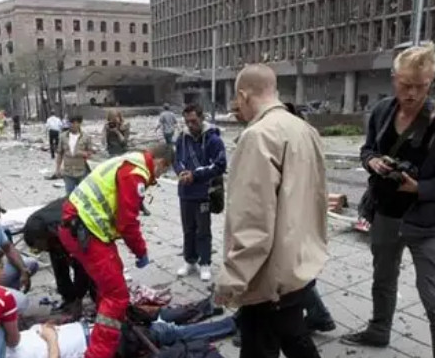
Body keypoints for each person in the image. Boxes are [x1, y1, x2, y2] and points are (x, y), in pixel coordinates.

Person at [216, 64, 327, 358]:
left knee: (263, 345)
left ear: (243, 95)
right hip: (299, 263)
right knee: (294, 336)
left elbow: (252, 221)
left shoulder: (258, 136)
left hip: (268, 277)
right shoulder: (304, 129)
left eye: (237, 100)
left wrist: (231, 280)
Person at [342, 43, 435, 349]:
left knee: (431, 295)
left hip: (426, 223)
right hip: (386, 213)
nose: (412, 93)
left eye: (421, 86)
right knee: (382, 278)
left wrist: (418, 188)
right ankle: (379, 330)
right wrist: (372, 162)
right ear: (394, 79)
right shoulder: (383, 110)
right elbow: (367, 149)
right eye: (406, 85)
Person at [58, 144, 175, 358]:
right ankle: (99, 353)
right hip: (86, 231)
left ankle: (111, 334)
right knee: (117, 295)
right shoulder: (135, 173)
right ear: (161, 162)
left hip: (81, 227)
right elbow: (127, 223)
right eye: (163, 170)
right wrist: (140, 251)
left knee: (112, 280)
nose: (159, 176)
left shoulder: (130, 160)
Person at [7, 311, 236, 358]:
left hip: (92, 329)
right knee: (165, 333)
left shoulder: (2, 343)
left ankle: (207, 310)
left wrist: (50, 326)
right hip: (98, 344)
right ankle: (230, 324)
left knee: (158, 323)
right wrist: (51, 337)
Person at [174, 104, 227, 282]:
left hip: (204, 193)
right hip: (185, 192)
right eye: (187, 121)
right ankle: (190, 260)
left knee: (203, 230)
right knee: (188, 229)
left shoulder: (214, 140)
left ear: (202, 118)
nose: (190, 125)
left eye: (193, 121)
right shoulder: (181, 138)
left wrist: (195, 175)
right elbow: (176, 159)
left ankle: (205, 262)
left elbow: (220, 165)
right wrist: (181, 172)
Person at [24, 198, 95, 317]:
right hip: (56, 231)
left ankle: (95, 297)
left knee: (86, 267)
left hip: (85, 223)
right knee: (58, 258)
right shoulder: (35, 227)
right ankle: (69, 297)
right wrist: (68, 296)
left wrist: (79, 297)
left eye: (40, 247)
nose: (42, 251)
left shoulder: (66, 228)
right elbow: (59, 267)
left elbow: (81, 266)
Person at [54, 115, 93, 195]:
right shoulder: (63, 136)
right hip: (68, 173)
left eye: (75, 123)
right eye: (71, 123)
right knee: (69, 196)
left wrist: (82, 153)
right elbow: (60, 153)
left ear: (79, 124)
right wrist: (57, 169)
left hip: (82, 172)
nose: (73, 125)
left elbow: (90, 154)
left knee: (82, 196)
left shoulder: (86, 137)